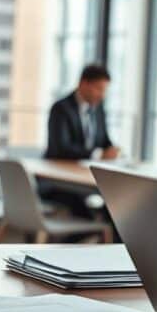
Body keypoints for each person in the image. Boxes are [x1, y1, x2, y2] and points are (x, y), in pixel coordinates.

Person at [41, 64, 119, 220]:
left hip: (87, 178)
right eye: (98, 89)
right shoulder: (61, 108)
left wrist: (112, 150)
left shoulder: (98, 109)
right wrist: (98, 154)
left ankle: (109, 240)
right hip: (59, 183)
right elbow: (61, 148)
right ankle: (86, 238)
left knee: (117, 208)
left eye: (104, 91)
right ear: (83, 83)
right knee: (87, 216)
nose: (101, 95)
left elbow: (104, 140)